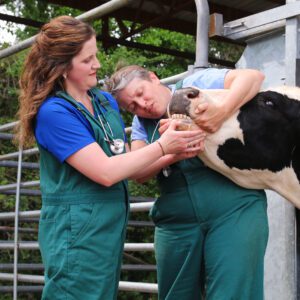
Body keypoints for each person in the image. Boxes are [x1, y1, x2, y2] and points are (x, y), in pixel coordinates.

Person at [15, 16, 205, 300]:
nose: (98, 65)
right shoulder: (54, 113)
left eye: (96, 56)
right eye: (87, 60)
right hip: (75, 230)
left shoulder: (104, 102)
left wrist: (173, 149)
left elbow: (123, 160)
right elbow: (105, 171)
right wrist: (164, 147)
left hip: (109, 225)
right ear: (63, 67)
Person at [107, 65, 268, 300]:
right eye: (132, 105)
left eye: (141, 93)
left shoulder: (197, 84)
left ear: (153, 77)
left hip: (235, 208)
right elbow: (139, 172)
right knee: (175, 294)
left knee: (235, 292)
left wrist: (220, 113)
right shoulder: (141, 123)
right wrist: (172, 152)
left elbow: (253, 77)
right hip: (176, 219)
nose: (142, 105)